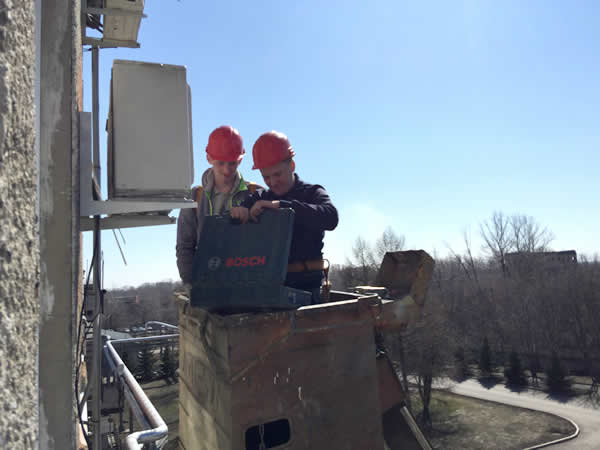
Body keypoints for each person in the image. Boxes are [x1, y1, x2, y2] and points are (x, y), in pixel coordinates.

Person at [231, 130, 338, 304]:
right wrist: (239, 212)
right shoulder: (258, 198)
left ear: (292, 165)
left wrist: (282, 206)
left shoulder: (312, 193)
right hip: (266, 289)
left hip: (308, 290)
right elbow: (235, 220)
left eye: (277, 174)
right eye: (266, 177)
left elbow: (331, 217)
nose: (272, 182)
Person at [176, 125, 259, 285]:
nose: (227, 170)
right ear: (209, 158)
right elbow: (185, 247)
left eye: (232, 163)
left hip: (247, 284)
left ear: (240, 159)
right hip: (206, 284)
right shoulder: (194, 198)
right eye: (221, 163)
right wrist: (192, 284)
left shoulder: (256, 194)